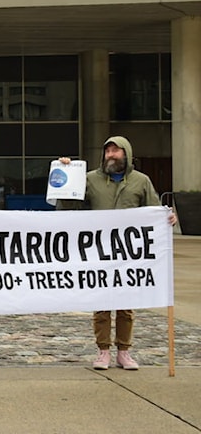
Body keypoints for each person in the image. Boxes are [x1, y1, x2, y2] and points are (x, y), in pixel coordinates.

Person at [57, 136, 177, 370]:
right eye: (108, 151)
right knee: (101, 304)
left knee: (125, 305)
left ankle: (124, 351)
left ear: (127, 154)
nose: (111, 155)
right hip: (98, 251)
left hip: (128, 254)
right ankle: (103, 351)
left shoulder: (141, 181)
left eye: (116, 151)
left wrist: (168, 218)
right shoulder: (89, 179)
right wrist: (66, 174)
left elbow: (154, 210)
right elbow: (67, 207)